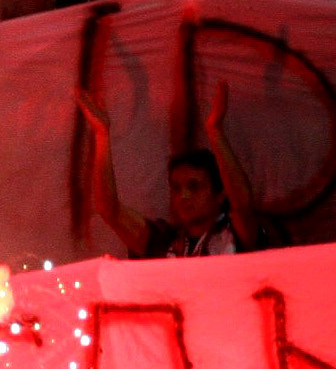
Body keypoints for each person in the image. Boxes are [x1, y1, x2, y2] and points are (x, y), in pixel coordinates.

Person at [77, 83, 268, 258]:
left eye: (194, 186)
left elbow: (243, 204)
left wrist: (215, 131)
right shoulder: (164, 240)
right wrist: (102, 135)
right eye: (176, 188)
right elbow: (110, 211)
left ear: (220, 195)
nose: (183, 196)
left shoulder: (234, 234)